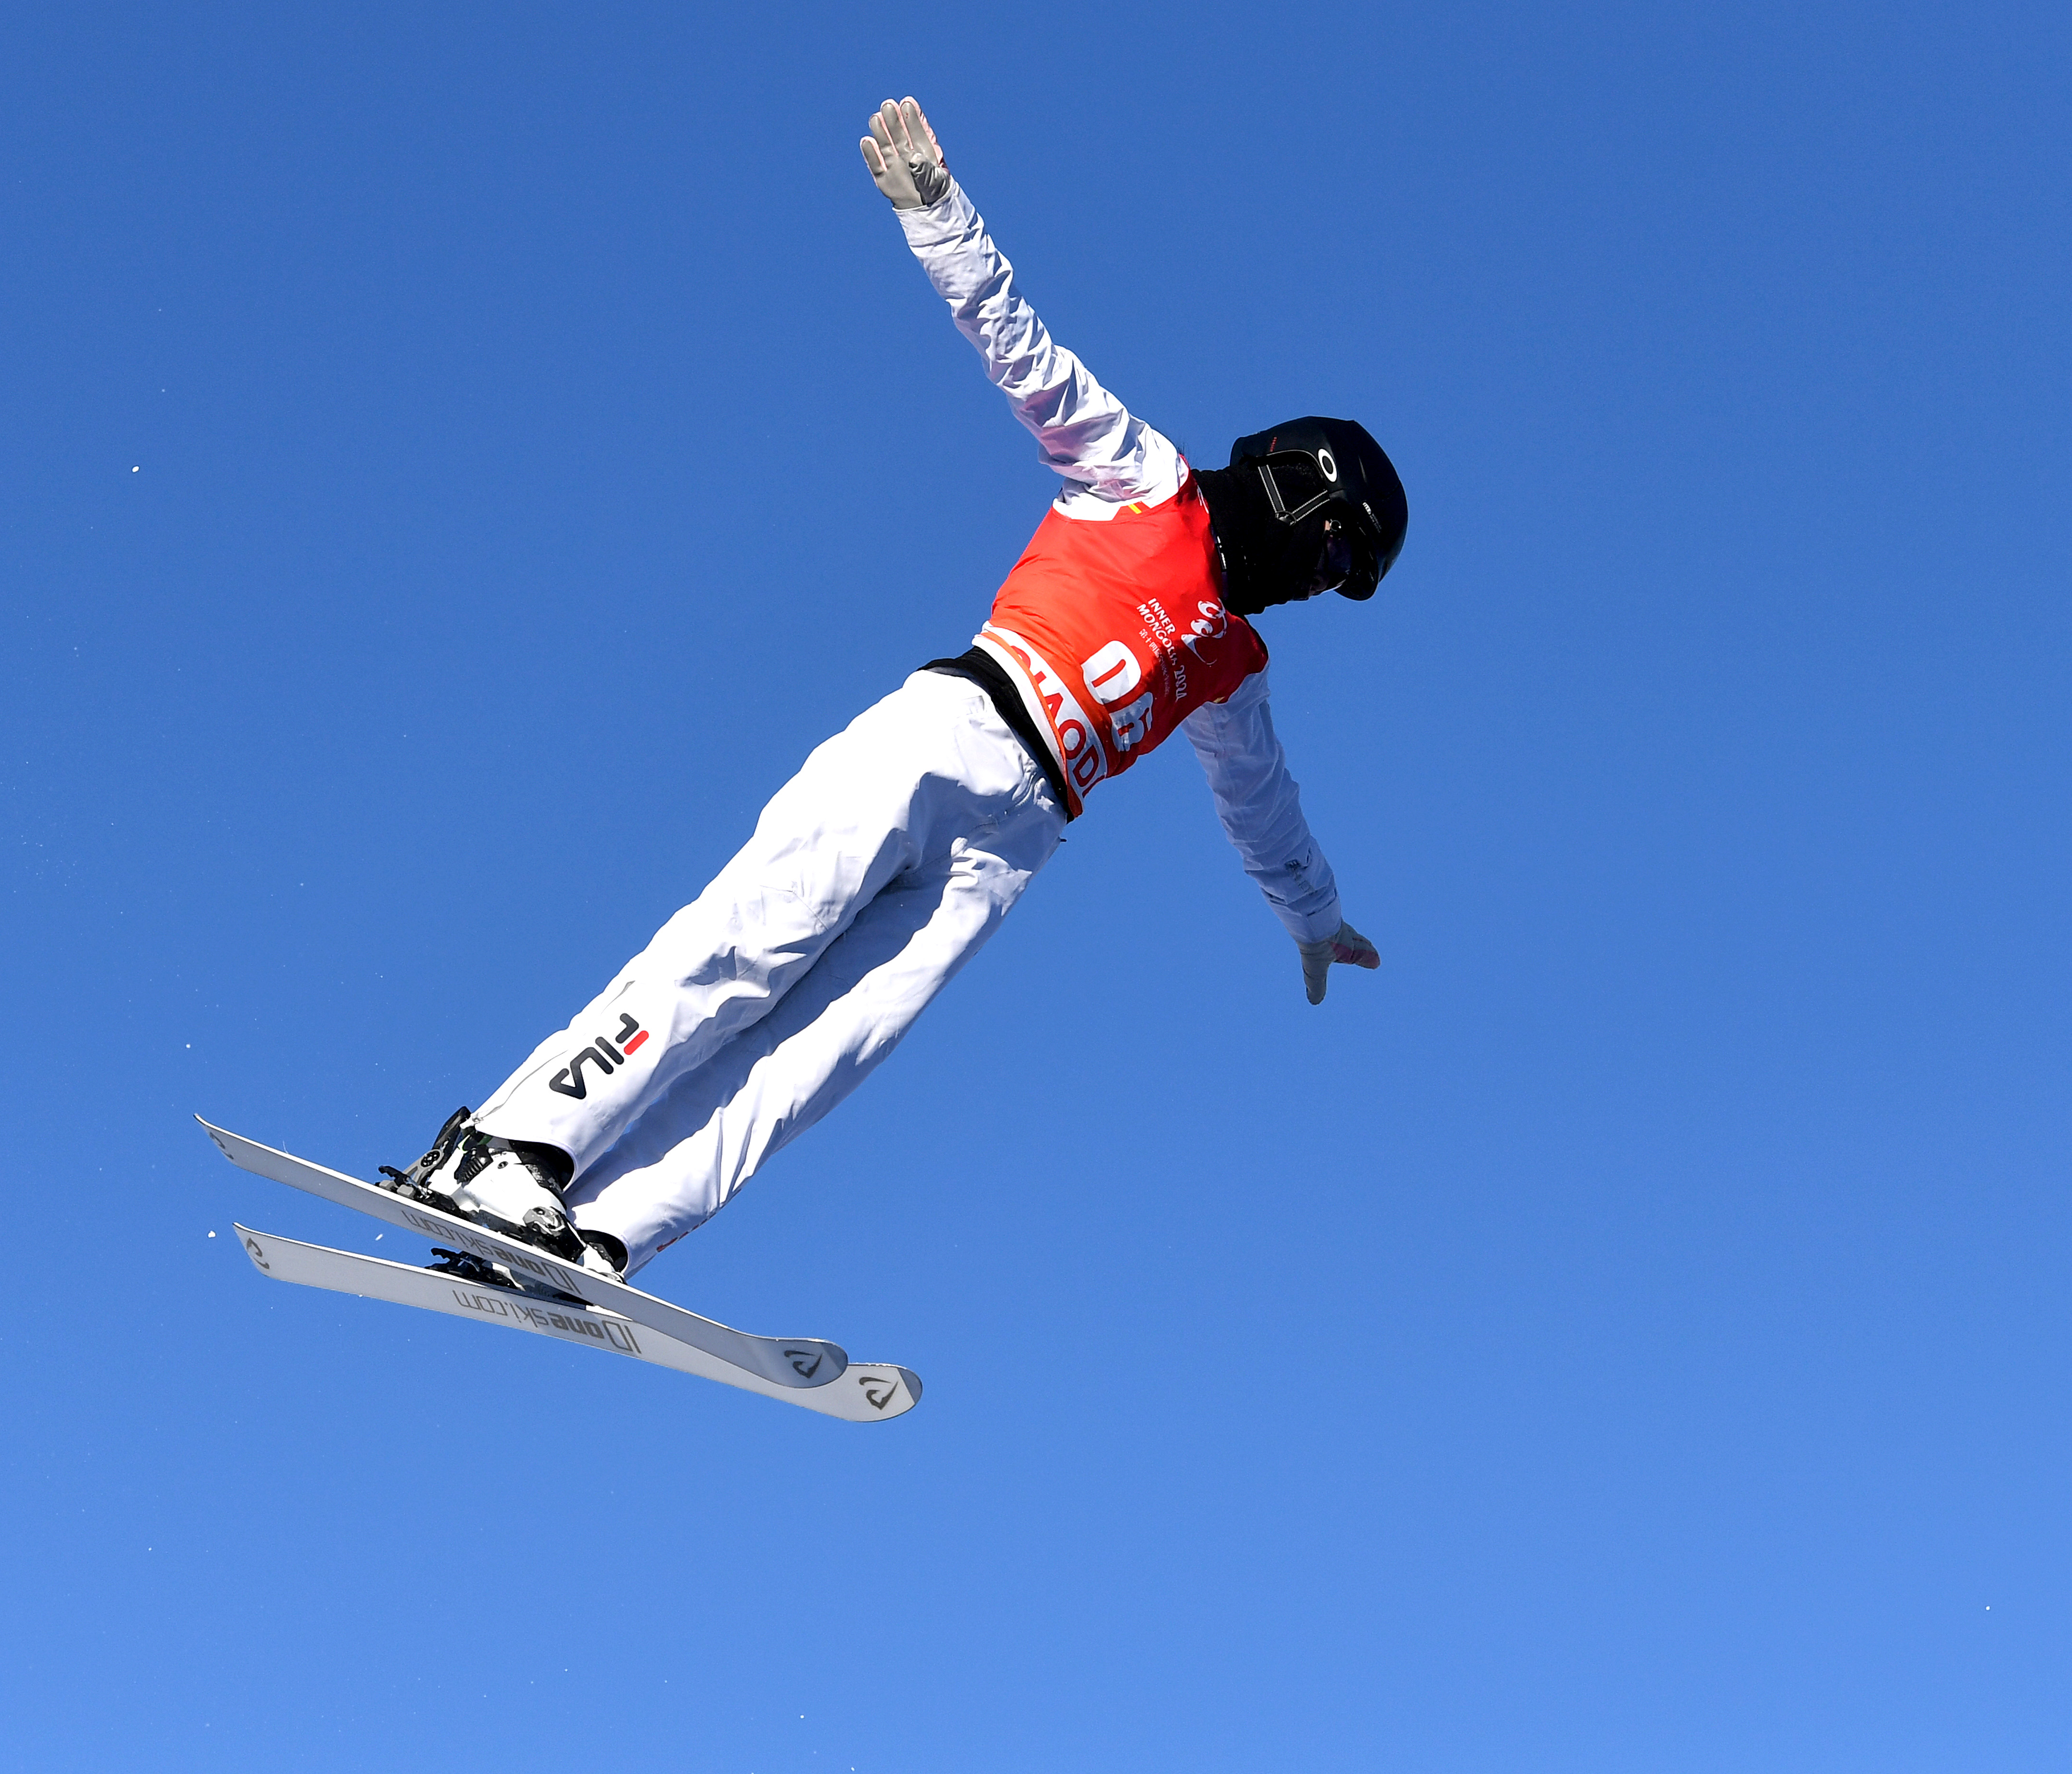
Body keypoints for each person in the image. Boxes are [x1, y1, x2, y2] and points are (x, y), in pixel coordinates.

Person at [385, 97, 1406, 1282]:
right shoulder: (1144, 478)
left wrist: (1314, 917)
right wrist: (938, 213)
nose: (1322, 586)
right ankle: (509, 1149)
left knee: (822, 1054)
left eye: (1346, 580)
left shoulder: (1233, 663)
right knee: (742, 948)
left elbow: (1261, 804)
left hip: (1017, 841)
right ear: (1295, 486)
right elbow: (1021, 348)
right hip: (955, 727)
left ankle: (601, 1231)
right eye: (1335, 556)